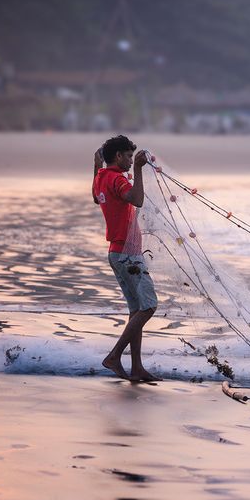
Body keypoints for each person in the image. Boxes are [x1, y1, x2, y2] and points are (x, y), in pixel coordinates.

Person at [93, 135, 161, 382]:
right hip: (128, 255)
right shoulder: (117, 179)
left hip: (117, 253)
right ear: (118, 156)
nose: (132, 161)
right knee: (149, 306)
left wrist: (96, 166)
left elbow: (95, 196)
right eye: (129, 156)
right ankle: (114, 356)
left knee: (136, 310)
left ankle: (137, 367)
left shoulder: (101, 177)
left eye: (134, 158)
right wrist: (140, 170)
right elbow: (137, 199)